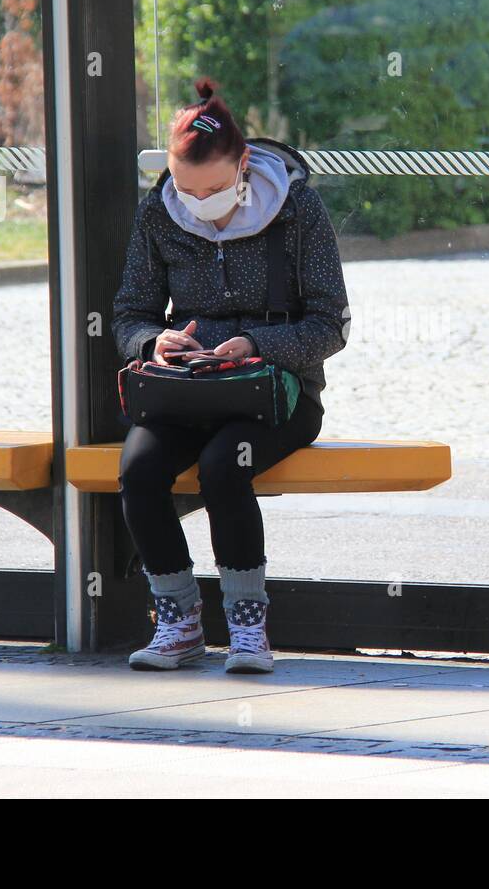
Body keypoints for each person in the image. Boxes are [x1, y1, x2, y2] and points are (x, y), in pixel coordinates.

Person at [112, 76, 350, 674]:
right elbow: (130, 314)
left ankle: (248, 627)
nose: (199, 203)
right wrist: (153, 340)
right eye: (186, 190)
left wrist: (256, 343)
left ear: (243, 165)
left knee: (224, 467)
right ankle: (178, 619)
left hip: (275, 392)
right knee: (139, 471)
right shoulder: (159, 213)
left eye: (214, 189)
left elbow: (331, 325)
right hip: (189, 390)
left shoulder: (297, 210)